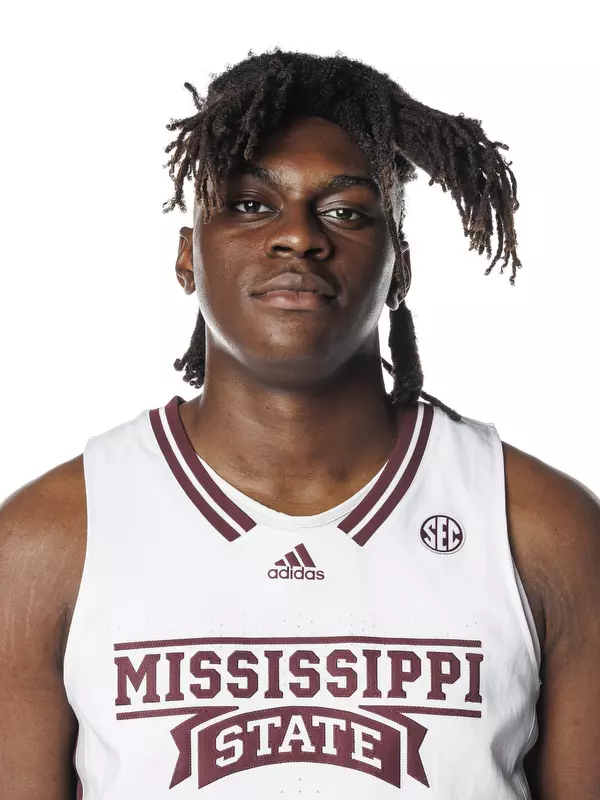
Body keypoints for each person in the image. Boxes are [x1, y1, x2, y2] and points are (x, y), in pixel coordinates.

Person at [0, 47, 599, 800]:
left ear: (400, 266)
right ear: (187, 257)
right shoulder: (48, 539)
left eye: (346, 211)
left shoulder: (543, 528)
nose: (300, 237)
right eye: (251, 205)